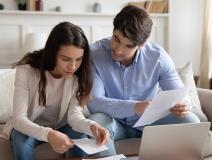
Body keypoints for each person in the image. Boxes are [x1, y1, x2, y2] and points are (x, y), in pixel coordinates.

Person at [88, 5, 200, 156]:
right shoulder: (94, 54)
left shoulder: (158, 57)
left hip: (149, 123)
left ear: (141, 44)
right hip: (112, 122)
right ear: (113, 30)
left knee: (190, 121)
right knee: (95, 122)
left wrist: (183, 105)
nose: (118, 49)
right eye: (116, 39)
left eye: (128, 46)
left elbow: (179, 94)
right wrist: (135, 107)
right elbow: (95, 103)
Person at [7, 22, 109, 160]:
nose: (73, 66)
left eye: (78, 59)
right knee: (21, 141)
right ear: (52, 53)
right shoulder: (27, 71)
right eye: (65, 59)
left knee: (81, 135)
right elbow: (19, 119)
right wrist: (49, 134)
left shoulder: (79, 75)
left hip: (60, 127)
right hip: (29, 126)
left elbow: (74, 116)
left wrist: (93, 126)